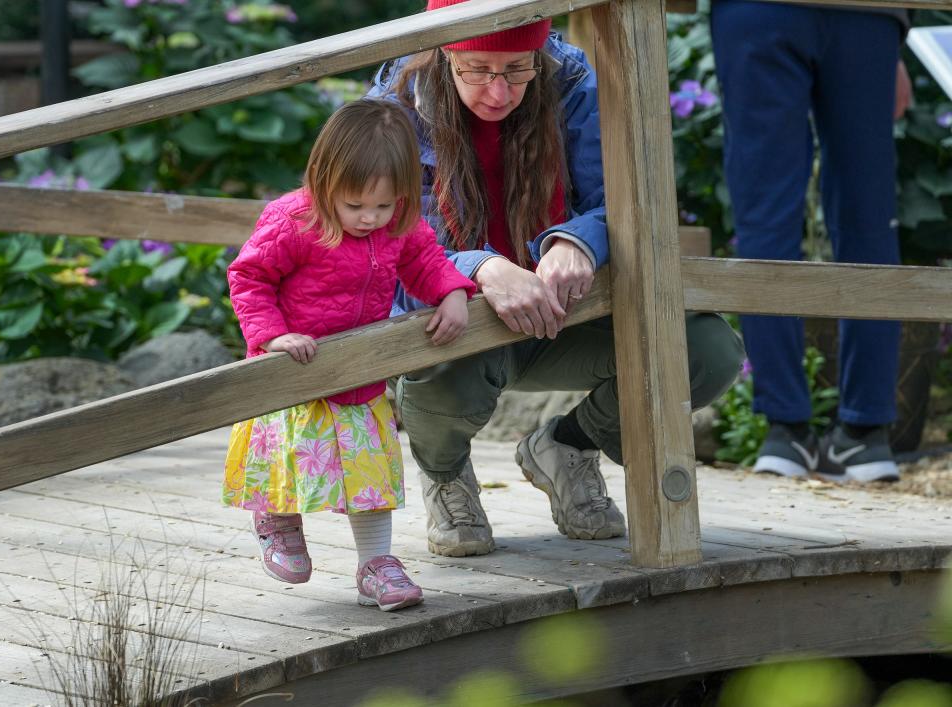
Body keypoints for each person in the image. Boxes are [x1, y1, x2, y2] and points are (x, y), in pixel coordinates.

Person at [369, 0, 746, 557]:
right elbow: (392, 252)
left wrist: (579, 240)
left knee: (705, 349)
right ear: (445, 52)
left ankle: (566, 446)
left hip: (566, 311)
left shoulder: (570, 81)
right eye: (478, 71)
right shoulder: (394, 108)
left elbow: (621, 197)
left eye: (518, 70)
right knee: (441, 359)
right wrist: (484, 268)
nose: (499, 92)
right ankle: (446, 477)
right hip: (461, 326)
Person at [222, 99, 477, 610]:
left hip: (361, 376)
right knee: (289, 457)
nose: (369, 218)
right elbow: (249, 277)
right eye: (355, 205)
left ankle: (375, 564)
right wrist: (271, 337)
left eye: (383, 206)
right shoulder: (292, 220)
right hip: (298, 371)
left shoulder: (398, 223)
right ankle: (277, 518)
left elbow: (425, 260)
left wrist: (452, 291)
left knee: (369, 476)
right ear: (323, 182)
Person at [710, 1, 910, 483]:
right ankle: (866, 436)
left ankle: (786, 431)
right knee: (869, 218)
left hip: (758, 10)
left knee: (765, 220)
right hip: (868, 12)